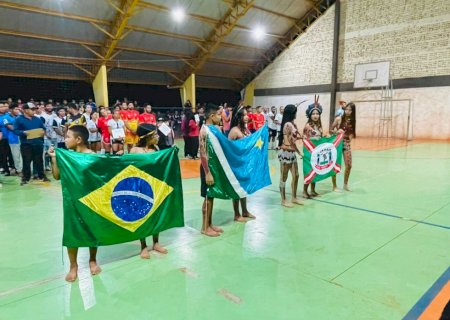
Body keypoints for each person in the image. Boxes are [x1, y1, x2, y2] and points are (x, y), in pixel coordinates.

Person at [48, 125, 101, 282]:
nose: (64, 140)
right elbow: (57, 176)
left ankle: (92, 259)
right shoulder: (67, 156)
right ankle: (73, 266)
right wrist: (54, 158)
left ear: (78, 140)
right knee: (72, 232)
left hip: (90, 200)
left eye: (67, 137)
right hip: (71, 202)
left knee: (92, 231)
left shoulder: (93, 156)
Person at [129, 123, 168, 258]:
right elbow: (128, 169)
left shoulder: (156, 148)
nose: (157, 137)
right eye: (155, 135)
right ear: (146, 137)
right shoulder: (134, 151)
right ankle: (143, 245)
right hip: (139, 188)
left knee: (155, 214)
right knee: (142, 216)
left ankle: (156, 242)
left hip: (154, 186)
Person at [199, 103, 224, 237]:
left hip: (214, 167)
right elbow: (203, 153)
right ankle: (204, 227)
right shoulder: (204, 131)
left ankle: (210, 223)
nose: (221, 117)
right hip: (206, 168)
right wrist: (207, 172)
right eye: (219, 114)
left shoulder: (214, 129)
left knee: (212, 196)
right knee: (208, 197)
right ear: (212, 116)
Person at [228, 106, 256, 222]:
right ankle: (236, 214)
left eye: (247, 114)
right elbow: (228, 148)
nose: (247, 117)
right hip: (237, 165)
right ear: (238, 117)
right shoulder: (234, 131)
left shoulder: (246, 129)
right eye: (244, 115)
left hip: (246, 164)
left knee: (244, 188)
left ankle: (244, 210)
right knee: (237, 188)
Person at [13, 102, 49, 185]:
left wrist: (43, 132)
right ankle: (26, 177)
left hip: (38, 143)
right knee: (26, 161)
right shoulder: (19, 119)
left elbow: (43, 128)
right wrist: (23, 132)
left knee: (39, 160)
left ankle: (41, 176)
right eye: (32, 109)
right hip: (26, 144)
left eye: (34, 109)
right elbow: (15, 130)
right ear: (25, 110)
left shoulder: (37, 119)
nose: (34, 111)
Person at [278, 105, 304, 207]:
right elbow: (292, 141)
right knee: (283, 177)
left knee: (296, 175)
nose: (296, 114)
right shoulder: (288, 124)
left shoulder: (291, 124)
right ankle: (283, 199)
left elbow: (293, 140)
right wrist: (299, 152)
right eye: (295, 112)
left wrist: (298, 152)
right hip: (286, 153)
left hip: (291, 153)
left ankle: (294, 197)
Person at [331, 102, 356, 192]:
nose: (348, 111)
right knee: (335, 164)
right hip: (337, 143)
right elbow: (331, 130)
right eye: (346, 109)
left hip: (346, 144)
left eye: (350, 110)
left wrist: (350, 138)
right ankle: (334, 186)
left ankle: (345, 185)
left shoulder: (353, 122)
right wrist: (336, 132)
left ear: (353, 111)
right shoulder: (338, 119)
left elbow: (352, 133)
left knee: (349, 165)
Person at [303, 96, 323, 198]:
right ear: (310, 114)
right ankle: (304, 191)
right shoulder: (307, 126)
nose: (315, 115)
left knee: (315, 171)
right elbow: (304, 138)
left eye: (317, 113)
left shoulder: (319, 126)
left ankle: (313, 190)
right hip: (309, 152)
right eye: (313, 113)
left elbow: (320, 137)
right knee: (308, 171)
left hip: (317, 152)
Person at [3, 103, 22, 174]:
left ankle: (23, 169)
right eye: (16, 109)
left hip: (22, 138)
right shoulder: (6, 118)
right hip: (13, 139)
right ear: (11, 110)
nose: (18, 110)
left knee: (22, 155)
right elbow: (10, 127)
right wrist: (20, 130)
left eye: (18, 109)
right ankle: (19, 170)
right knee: (16, 156)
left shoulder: (20, 117)